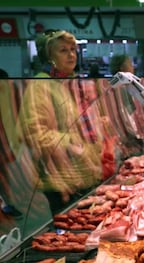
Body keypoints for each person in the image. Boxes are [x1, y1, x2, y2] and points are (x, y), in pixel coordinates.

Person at [19, 30, 104, 213]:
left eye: (73, 49)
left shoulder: (70, 82)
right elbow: (34, 134)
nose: (71, 54)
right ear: (49, 56)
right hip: (61, 179)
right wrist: (71, 141)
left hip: (84, 173)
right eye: (63, 50)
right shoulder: (40, 86)